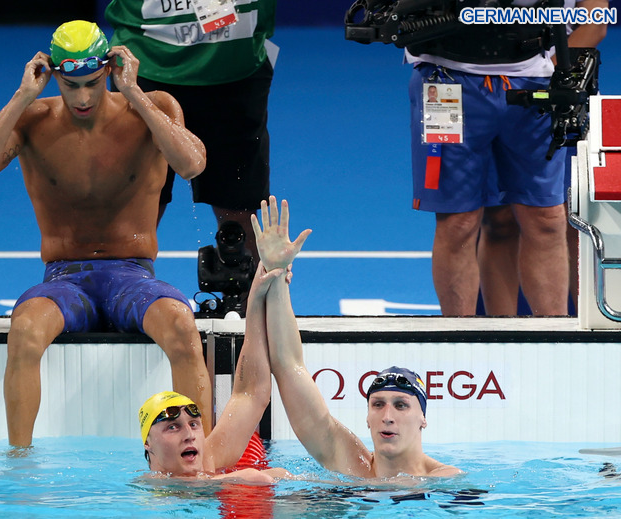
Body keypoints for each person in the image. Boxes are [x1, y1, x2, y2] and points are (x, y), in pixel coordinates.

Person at [0, 20, 211, 447]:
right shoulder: (33, 119)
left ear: (110, 68)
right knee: (23, 330)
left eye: (93, 83)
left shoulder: (154, 108)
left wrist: (133, 93)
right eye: (70, 85)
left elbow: (192, 165)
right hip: (65, 279)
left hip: (132, 276)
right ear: (53, 75)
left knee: (184, 327)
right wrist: (22, 97)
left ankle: (199, 459)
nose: (82, 97)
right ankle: (20, 466)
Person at [252, 196, 459, 478]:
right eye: (378, 405)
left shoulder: (446, 481)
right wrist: (276, 274)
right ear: (368, 417)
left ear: (423, 418)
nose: (387, 416)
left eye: (401, 405)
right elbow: (288, 366)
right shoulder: (351, 463)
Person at [406, 3, 583, 317]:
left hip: (534, 81)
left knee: (546, 219)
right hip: (447, 83)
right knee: (458, 221)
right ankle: (460, 344)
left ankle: (555, 341)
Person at [104, 0, 276, 296]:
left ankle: (254, 316)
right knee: (134, 211)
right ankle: (116, 300)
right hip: (146, 68)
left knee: (240, 218)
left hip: (236, 69)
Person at [138, 209, 304, 482]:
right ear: (148, 443)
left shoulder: (209, 456)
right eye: (173, 427)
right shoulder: (149, 490)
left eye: (193, 424)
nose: (190, 434)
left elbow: (251, 393)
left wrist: (262, 284)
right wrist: (242, 478)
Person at [478, 0, 608, 316]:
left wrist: (540, 70)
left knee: (566, 219)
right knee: (499, 219)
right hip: (484, 82)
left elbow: (595, 22)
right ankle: (496, 340)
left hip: (552, 86)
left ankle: (580, 335)